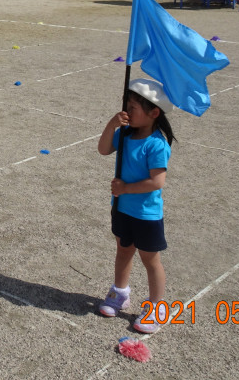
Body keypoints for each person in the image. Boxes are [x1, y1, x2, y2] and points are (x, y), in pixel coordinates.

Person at [97, 78, 176, 334]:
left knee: (150, 260)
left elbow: (157, 181)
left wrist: (126, 189)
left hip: (145, 214)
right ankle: (120, 293)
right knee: (123, 250)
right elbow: (103, 149)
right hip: (121, 208)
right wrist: (112, 125)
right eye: (126, 105)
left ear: (154, 113)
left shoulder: (156, 144)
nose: (127, 112)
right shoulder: (124, 134)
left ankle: (157, 306)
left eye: (133, 107)